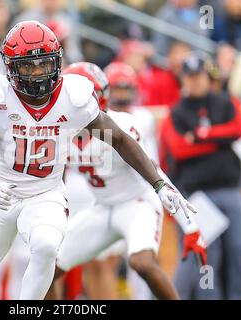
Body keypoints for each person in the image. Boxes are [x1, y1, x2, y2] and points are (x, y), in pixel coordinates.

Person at [0, 20, 196, 300]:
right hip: (1, 191)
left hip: (45, 194)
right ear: (11, 69)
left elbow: (121, 139)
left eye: (44, 64)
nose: (38, 73)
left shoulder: (73, 101)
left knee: (46, 246)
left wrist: (160, 185)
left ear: (58, 62)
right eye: (29, 66)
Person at [48, 62, 206, 300]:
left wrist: (191, 226)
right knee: (44, 268)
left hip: (137, 203)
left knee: (141, 263)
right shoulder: (59, 131)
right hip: (102, 208)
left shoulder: (120, 125)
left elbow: (153, 169)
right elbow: (56, 176)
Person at [159, 53, 241, 299]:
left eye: (199, 76)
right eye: (190, 77)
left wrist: (199, 135)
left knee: (238, 249)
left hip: (229, 188)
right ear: (184, 80)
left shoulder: (225, 102)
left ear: (207, 77)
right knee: (208, 255)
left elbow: (238, 129)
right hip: (197, 193)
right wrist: (219, 139)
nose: (195, 81)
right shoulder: (176, 112)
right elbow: (178, 148)